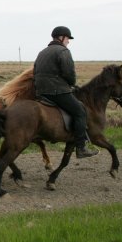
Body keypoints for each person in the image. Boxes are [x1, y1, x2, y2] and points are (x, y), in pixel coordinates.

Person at [33, 26, 99, 158]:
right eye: (68, 38)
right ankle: (81, 147)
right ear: (61, 37)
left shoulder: (42, 52)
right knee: (80, 111)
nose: (68, 41)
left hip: (41, 92)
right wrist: (71, 84)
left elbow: (35, 72)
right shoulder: (63, 51)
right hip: (57, 91)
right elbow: (69, 74)